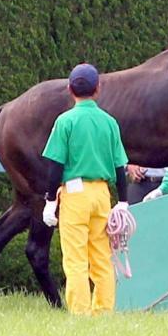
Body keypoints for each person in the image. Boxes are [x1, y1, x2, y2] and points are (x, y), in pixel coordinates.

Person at [41, 63, 130, 315]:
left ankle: (80, 313)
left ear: (70, 89)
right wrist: (122, 201)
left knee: (76, 259)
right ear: (98, 89)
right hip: (102, 194)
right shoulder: (109, 122)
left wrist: (50, 201)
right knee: (102, 258)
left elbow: (55, 165)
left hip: (74, 195)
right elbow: (120, 166)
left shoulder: (65, 121)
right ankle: (103, 311)